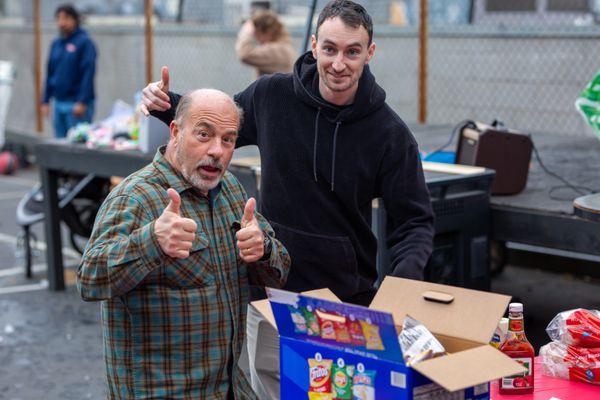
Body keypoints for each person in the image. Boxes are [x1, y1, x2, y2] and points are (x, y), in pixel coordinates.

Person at [141, 1, 434, 397]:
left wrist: (400, 291)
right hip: (270, 297)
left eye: (352, 51)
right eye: (329, 49)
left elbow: (414, 222)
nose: (339, 63)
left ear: (369, 53)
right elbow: (221, 126)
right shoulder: (271, 96)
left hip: (344, 304)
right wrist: (168, 104)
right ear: (313, 45)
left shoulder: (388, 134)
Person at [77, 88, 290, 399]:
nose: (217, 150)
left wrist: (263, 251)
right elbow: (88, 280)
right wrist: (151, 241)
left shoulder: (230, 189)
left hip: (230, 387)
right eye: (204, 134)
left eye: (228, 139)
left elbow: (279, 270)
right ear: (175, 132)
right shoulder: (135, 197)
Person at [41, 4, 96, 138]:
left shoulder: (84, 42)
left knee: (77, 147)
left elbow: (88, 73)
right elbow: (50, 73)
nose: (61, 22)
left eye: (66, 18)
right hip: (59, 103)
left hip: (76, 104)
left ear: (75, 20)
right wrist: (45, 101)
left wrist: (82, 101)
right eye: (59, 18)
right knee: (60, 144)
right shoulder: (56, 44)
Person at [235, 9, 297, 76]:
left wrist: (246, 32)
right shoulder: (283, 47)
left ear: (267, 32)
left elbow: (245, 54)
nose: (256, 38)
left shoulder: (277, 49)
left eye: (256, 33)